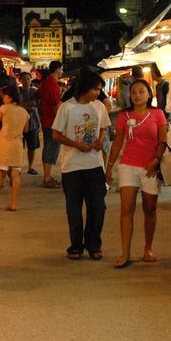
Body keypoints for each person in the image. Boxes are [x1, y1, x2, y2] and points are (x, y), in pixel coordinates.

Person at [105, 79, 168, 268]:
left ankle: (148, 248)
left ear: (149, 94)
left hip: (149, 167)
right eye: (133, 92)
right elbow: (117, 142)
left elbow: (162, 141)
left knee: (150, 209)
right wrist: (109, 166)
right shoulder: (124, 116)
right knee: (126, 209)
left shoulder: (158, 114)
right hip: (128, 166)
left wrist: (155, 160)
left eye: (141, 92)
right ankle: (125, 252)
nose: (137, 95)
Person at [52, 70, 110, 260]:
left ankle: (94, 245)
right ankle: (76, 246)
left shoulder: (99, 107)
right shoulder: (67, 108)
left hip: (95, 165)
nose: (98, 93)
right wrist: (77, 145)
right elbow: (56, 134)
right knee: (74, 209)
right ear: (85, 88)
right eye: (95, 89)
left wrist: (99, 141)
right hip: (72, 167)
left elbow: (102, 129)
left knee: (97, 207)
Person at [0, 85, 30, 211]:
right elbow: (26, 129)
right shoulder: (24, 112)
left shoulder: (4, 108)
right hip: (17, 144)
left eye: (4, 96)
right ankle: (14, 203)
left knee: (0, 173)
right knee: (15, 174)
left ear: (10, 97)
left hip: (5, 143)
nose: (3, 99)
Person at [38, 61, 63, 188]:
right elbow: (55, 106)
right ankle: (47, 178)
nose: (62, 72)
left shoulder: (46, 83)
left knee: (49, 147)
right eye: (61, 69)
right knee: (51, 148)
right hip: (51, 121)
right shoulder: (52, 84)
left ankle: (47, 176)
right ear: (57, 69)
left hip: (46, 119)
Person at [18, 72, 41, 175]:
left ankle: (30, 167)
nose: (26, 81)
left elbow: (35, 104)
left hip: (33, 123)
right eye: (24, 79)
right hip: (19, 123)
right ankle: (17, 167)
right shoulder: (18, 92)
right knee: (18, 146)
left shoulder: (35, 92)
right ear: (20, 80)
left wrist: (24, 105)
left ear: (31, 80)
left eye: (28, 79)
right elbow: (19, 105)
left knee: (32, 147)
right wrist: (28, 105)